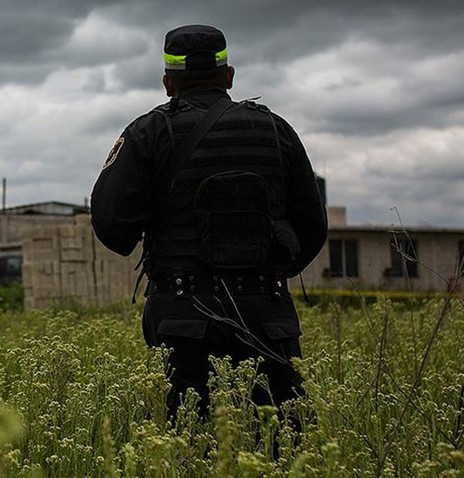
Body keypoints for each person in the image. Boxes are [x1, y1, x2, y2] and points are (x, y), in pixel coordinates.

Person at [90, 25, 327, 425]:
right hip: (268, 316)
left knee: (189, 442)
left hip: (183, 315)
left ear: (168, 82)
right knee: (277, 441)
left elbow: (113, 229)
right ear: (229, 76)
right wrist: (262, 274)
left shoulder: (148, 134)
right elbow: (313, 228)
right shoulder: (275, 130)